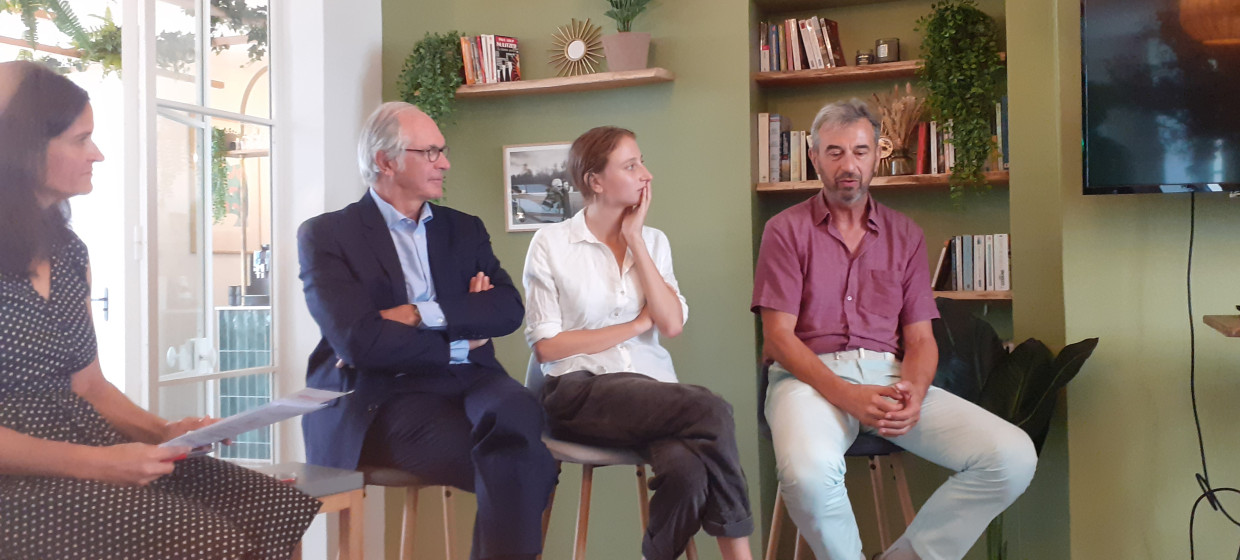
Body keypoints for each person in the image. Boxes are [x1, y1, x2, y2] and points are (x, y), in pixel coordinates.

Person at [0, 61, 320, 559]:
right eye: (81, 140)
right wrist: (100, 464)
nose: (98, 154)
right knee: (206, 541)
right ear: (25, 149)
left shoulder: (68, 253)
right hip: (20, 480)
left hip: (88, 447)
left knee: (273, 506)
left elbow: (90, 387)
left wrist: (165, 433)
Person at [752, 99, 1037, 560]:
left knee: (1012, 456)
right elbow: (778, 339)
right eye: (836, 152)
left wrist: (914, 392)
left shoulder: (905, 235)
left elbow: (921, 339)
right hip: (807, 379)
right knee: (805, 475)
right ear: (814, 156)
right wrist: (848, 396)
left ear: (877, 155)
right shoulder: (784, 231)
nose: (849, 165)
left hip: (889, 378)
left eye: (860, 151)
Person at [297, 101, 556, 560]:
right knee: (526, 462)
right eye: (431, 152)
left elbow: (507, 310)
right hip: (389, 395)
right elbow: (359, 343)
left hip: (474, 380)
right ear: (386, 161)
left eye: (442, 150)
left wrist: (421, 315)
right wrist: (461, 328)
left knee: (519, 410)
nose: (446, 163)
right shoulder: (328, 236)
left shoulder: (464, 229)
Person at [522, 126, 754, 560]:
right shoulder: (551, 244)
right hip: (578, 392)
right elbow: (548, 348)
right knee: (712, 408)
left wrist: (635, 240)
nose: (646, 174)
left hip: (651, 394)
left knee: (688, 474)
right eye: (631, 166)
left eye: (642, 162)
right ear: (595, 181)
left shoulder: (654, 241)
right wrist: (632, 326)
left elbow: (670, 324)